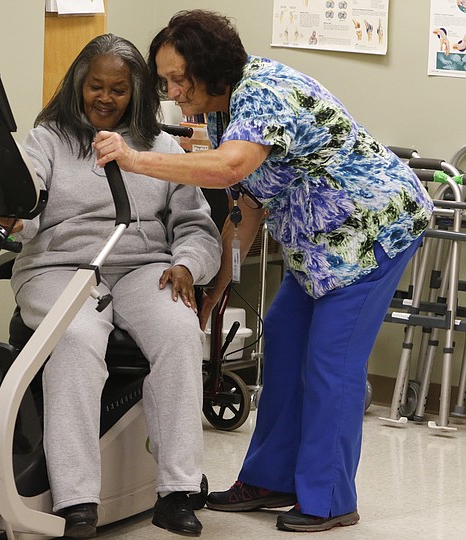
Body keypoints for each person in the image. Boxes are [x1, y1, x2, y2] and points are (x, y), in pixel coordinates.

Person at [93, 10, 433, 533]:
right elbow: (245, 200)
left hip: (374, 230)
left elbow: (228, 166)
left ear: (211, 69)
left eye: (179, 78)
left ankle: (329, 498)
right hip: (318, 243)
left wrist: (135, 159)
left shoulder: (265, 93)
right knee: (280, 334)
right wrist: (222, 281)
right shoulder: (223, 109)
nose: (173, 91)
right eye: (165, 81)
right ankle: (272, 479)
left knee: (330, 361)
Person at [0, 33, 221, 538]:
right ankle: (77, 502)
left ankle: (178, 491)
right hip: (61, 267)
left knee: (180, 331)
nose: (105, 98)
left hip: (145, 267)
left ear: (136, 92)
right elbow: (28, 203)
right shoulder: (48, 140)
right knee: (74, 339)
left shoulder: (162, 147)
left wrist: (187, 265)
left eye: (118, 89)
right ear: (79, 85)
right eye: (96, 86)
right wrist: (14, 216)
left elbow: (195, 226)